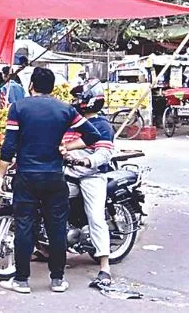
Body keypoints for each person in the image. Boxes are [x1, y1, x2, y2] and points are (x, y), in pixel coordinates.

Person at [0, 67, 102, 294]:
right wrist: (67, 147)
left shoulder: (19, 107)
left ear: (31, 85)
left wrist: (0, 176)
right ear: (52, 87)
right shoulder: (65, 109)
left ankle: (21, 280)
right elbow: (93, 136)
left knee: (24, 226)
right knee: (56, 228)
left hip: (27, 177)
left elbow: (9, 146)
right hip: (54, 177)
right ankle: (57, 280)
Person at [64, 81, 115, 288]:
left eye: (79, 98)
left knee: (95, 216)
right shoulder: (72, 123)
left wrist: (86, 161)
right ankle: (45, 248)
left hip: (92, 175)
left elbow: (104, 153)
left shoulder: (102, 125)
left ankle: (105, 267)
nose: (76, 101)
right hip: (68, 174)